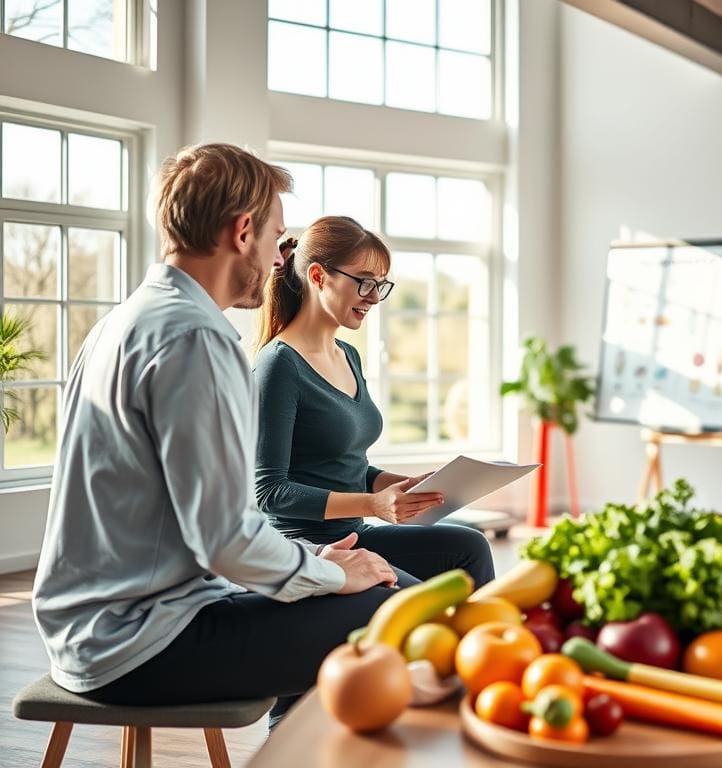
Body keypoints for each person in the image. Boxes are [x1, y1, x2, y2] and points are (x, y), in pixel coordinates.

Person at [32, 144, 401, 713]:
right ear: (243, 231)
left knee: (374, 590)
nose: (284, 262)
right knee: (395, 607)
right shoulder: (196, 339)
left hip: (89, 630)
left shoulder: (124, 319)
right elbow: (225, 538)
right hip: (139, 644)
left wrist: (315, 567)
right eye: (280, 241)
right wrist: (327, 573)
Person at [253, 216, 497, 723]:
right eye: (364, 281)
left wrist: (392, 486)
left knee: (468, 546)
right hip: (309, 546)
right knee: (417, 603)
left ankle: (477, 690)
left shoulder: (346, 353)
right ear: (318, 276)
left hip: (356, 531)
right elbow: (269, 492)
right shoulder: (278, 365)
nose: (372, 295)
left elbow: (346, 464)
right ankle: (309, 720)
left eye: (380, 285)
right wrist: (374, 504)